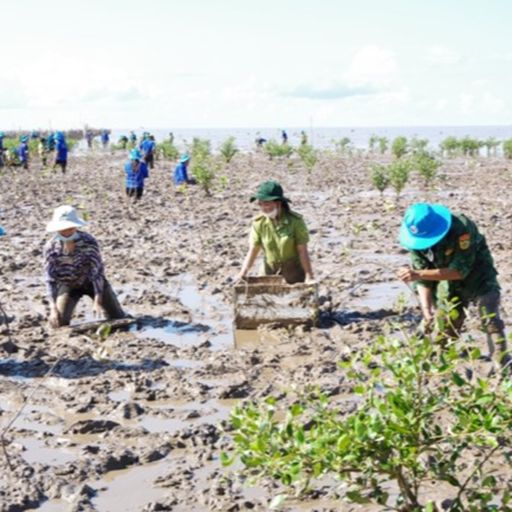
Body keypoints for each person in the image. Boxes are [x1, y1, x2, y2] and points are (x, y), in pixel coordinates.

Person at [397, 202, 510, 368]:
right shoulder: (416, 241)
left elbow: (459, 271)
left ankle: (502, 365)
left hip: (478, 276)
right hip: (446, 282)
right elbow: (423, 279)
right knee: (446, 324)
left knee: (489, 317)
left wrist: (417, 274)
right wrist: (427, 310)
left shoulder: (462, 228)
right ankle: (441, 364)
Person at [43, 205, 125, 328]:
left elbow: (97, 271)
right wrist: (53, 308)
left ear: (75, 226)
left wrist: (97, 300)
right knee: (57, 323)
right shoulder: (51, 247)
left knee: (118, 318)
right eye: (62, 229)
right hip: (69, 285)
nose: (66, 232)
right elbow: (50, 279)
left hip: (91, 282)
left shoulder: (88, 241)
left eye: (70, 228)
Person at [237, 181, 314, 284]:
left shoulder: (295, 222)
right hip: (269, 272)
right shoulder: (259, 223)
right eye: (260, 204)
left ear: (278, 203)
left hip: (293, 272)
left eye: (267, 204)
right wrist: (243, 273)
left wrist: (309, 275)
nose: (264, 208)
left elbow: (302, 251)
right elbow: (253, 250)